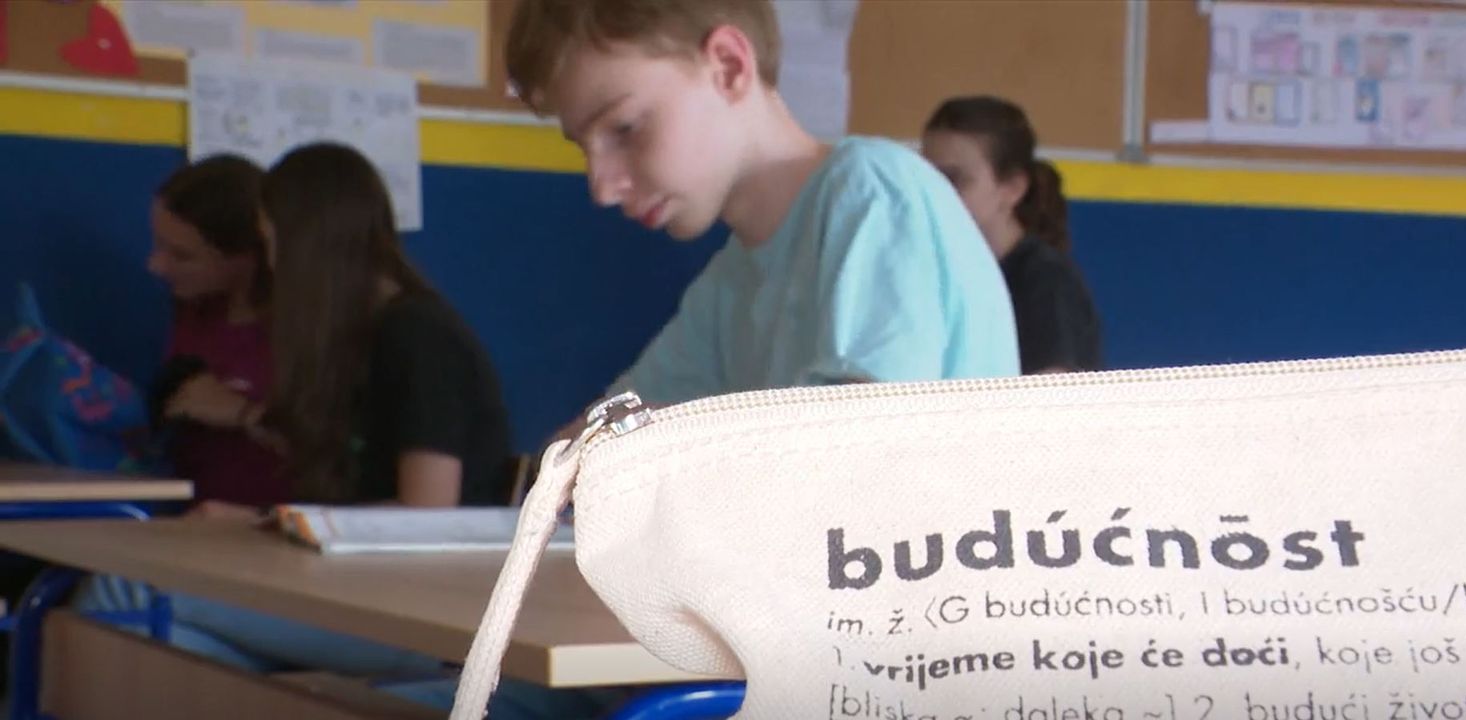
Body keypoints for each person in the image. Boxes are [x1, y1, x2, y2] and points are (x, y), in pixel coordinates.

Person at [77, 142, 515, 681]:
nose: (271, 262)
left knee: (127, 590)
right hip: (359, 588)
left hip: (426, 613)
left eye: (271, 242)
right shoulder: (359, 339)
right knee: (157, 643)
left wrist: (263, 524)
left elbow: (426, 513)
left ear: (308, 247)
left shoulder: (418, 336)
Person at [507, 0, 1018, 416]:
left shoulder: (872, 193)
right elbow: (612, 427)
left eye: (624, 128)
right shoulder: (730, 281)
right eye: (584, 147)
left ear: (728, 67)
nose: (601, 188)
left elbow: (855, 454)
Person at [922, 96, 1102, 374]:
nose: (935, 193)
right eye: (925, 178)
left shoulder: (1047, 280)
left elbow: (1051, 391)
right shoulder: (943, 271)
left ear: (1012, 188)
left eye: (954, 179)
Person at [146, 155, 286, 511]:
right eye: (158, 244)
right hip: (190, 519)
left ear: (247, 257)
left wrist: (242, 413)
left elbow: (341, 455)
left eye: (182, 256)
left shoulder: (303, 330)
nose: (156, 266)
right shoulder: (195, 308)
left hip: (264, 527)